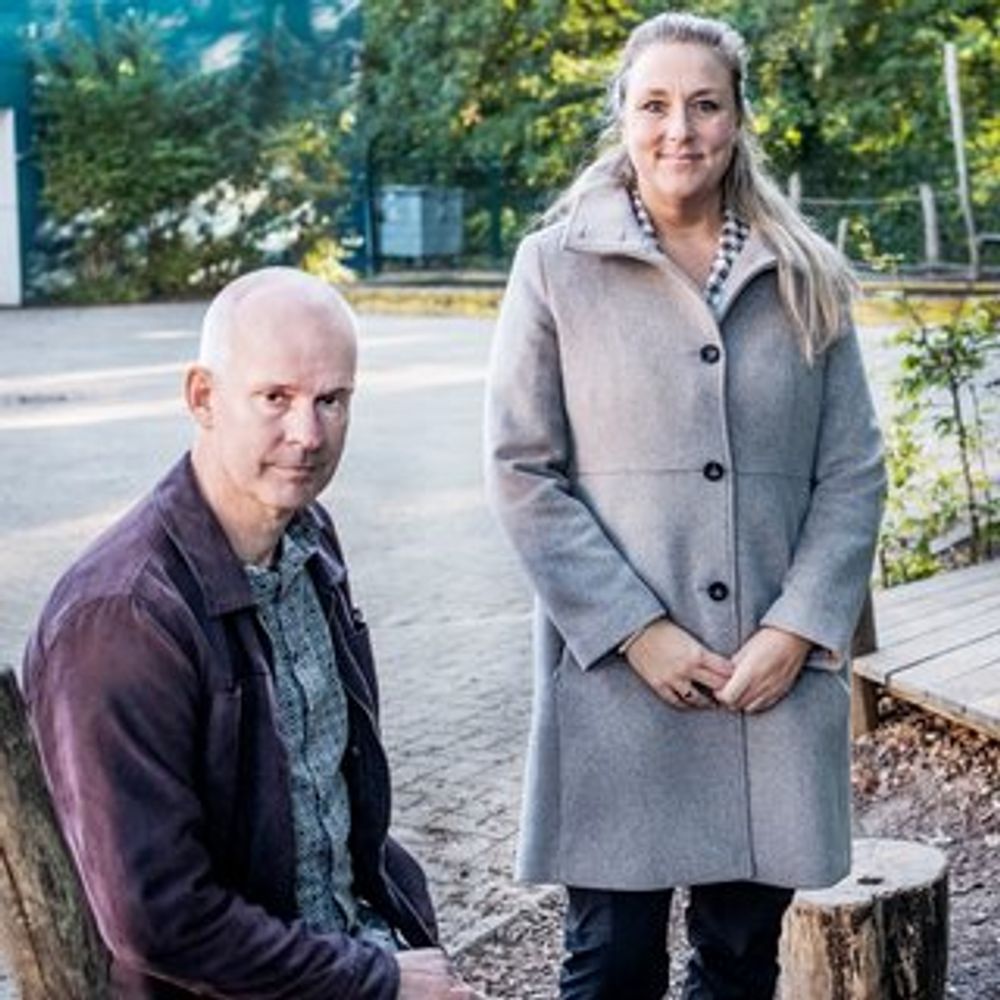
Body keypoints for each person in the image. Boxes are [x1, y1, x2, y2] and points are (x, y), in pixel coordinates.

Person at [484, 11, 886, 1000]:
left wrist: (797, 628)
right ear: (620, 113)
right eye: (654, 103)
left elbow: (854, 468)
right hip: (620, 687)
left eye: (704, 104)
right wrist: (636, 631)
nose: (680, 128)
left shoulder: (807, 277)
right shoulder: (553, 268)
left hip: (768, 687)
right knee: (610, 962)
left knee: (740, 962)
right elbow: (520, 465)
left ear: (739, 117)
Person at [24, 268, 478, 999]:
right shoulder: (123, 621)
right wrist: (381, 980)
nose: (307, 435)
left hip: (352, 943)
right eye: (276, 398)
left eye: (331, 401)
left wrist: (402, 940)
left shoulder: (309, 541)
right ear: (203, 397)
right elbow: (161, 920)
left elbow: (337, 796)